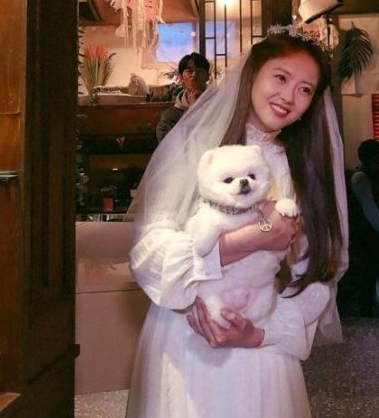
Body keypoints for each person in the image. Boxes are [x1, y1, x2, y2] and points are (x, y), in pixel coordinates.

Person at [125, 27, 348, 418]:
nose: (289, 96)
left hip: (260, 349)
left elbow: (318, 273)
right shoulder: (194, 146)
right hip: (187, 334)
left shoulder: (302, 169)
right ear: (253, 73)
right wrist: (256, 236)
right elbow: (149, 253)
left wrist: (260, 333)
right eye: (281, 77)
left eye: (305, 89)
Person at [340, 139, 379, 317]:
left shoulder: (375, 177)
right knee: (366, 274)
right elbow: (370, 208)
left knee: (374, 272)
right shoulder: (361, 178)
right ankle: (365, 310)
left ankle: (372, 307)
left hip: (373, 235)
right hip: (365, 236)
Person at [156, 52, 211, 142]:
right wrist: (193, 110)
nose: (194, 75)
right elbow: (168, 145)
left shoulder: (220, 106)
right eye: (189, 71)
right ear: (181, 77)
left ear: (207, 76)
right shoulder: (171, 115)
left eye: (200, 71)